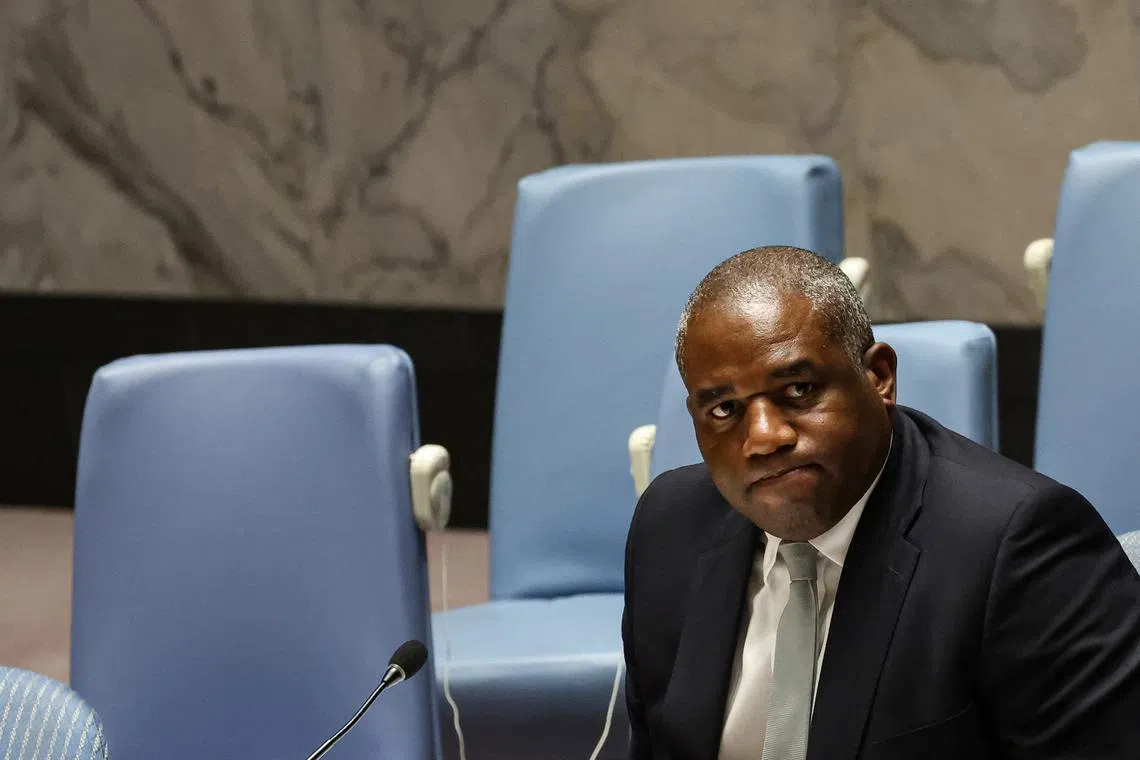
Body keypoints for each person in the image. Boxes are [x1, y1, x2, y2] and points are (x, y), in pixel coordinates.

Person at [621, 246, 1140, 759]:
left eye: (799, 390)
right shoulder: (670, 525)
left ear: (879, 378)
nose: (763, 437)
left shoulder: (1019, 547)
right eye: (725, 408)